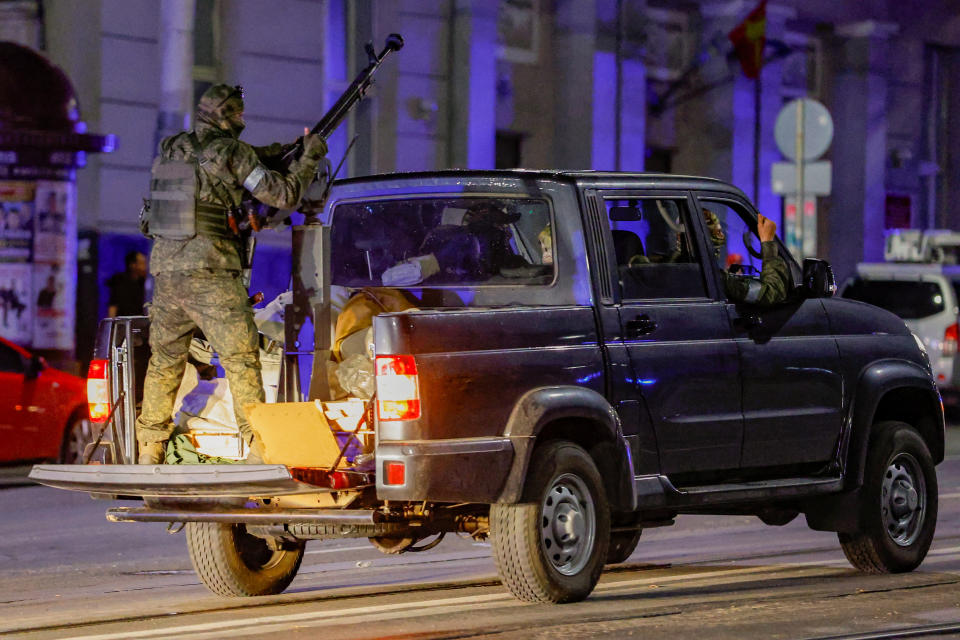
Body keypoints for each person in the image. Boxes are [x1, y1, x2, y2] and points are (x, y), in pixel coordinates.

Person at [135, 84, 328, 464]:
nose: (242, 120)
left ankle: (149, 448)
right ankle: (258, 446)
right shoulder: (231, 152)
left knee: (165, 360)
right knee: (241, 360)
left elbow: (235, 158)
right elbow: (284, 194)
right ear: (224, 116)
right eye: (237, 114)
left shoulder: (174, 146)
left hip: (168, 274)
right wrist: (310, 158)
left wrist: (282, 150)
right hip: (211, 271)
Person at [702, 209, 789, 306]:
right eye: (718, 232)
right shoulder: (716, 279)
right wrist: (768, 243)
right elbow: (773, 292)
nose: (722, 237)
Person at [106, 250, 148, 317]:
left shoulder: (143, 282)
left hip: (140, 323)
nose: (145, 267)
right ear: (132, 265)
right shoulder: (119, 281)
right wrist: (112, 325)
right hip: (123, 323)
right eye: (142, 263)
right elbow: (113, 305)